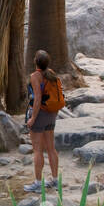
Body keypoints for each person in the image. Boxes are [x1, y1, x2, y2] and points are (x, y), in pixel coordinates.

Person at [23, 50, 62, 193]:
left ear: (35, 62)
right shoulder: (51, 74)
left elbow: (37, 98)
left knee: (37, 150)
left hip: (40, 115)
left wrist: (33, 118)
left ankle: (38, 183)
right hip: (51, 114)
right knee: (51, 148)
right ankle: (55, 180)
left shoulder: (35, 76)